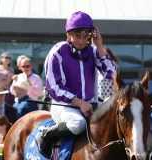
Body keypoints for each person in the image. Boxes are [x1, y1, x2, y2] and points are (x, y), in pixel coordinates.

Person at [36, 11, 116, 158]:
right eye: (77, 36)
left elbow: (111, 73)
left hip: (91, 104)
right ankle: (45, 134)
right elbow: (54, 88)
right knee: (78, 125)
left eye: (86, 36)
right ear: (69, 35)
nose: (81, 40)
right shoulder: (57, 52)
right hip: (63, 105)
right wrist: (79, 102)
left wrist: (99, 46)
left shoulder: (92, 50)